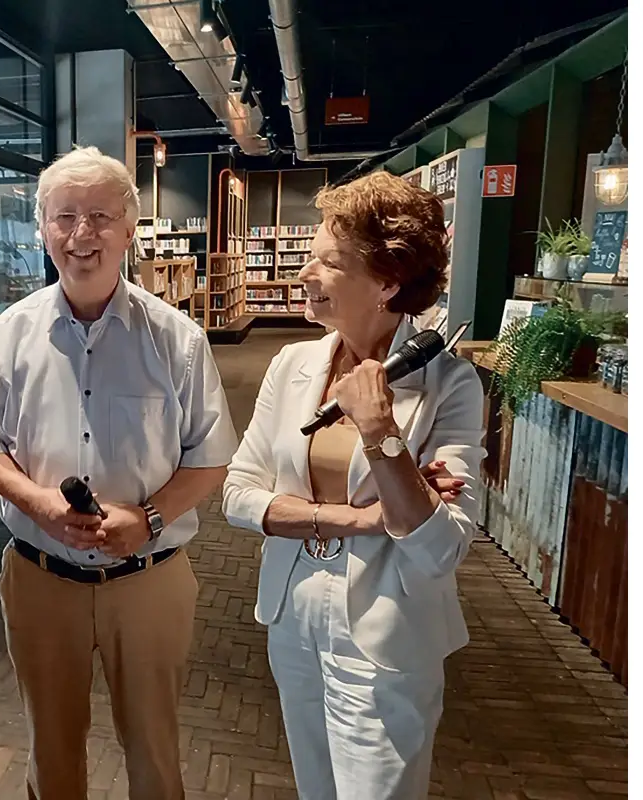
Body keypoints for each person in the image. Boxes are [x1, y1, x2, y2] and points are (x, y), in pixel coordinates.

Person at [0, 145, 238, 800]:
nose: (82, 233)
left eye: (101, 216)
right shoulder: (8, 337)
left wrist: (149, 517)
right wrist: (37, 502)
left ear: (129, 228)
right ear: (42, 228)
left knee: (155, 751)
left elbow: (211, 456)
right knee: (50, 750)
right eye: (65, 216)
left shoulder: (177, 339)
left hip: (149, 580)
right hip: (40, 577)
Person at [222, 170, 487, 800]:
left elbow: (441, 547)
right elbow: (238, 495)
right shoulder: (293, 364)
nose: (306, 273)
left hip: (387, 631)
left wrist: (381, 432)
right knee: (314, 786)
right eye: (311, 256)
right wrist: (360, 519)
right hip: (293, 612)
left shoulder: (449, 385)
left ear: (388, 282)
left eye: (330, 263)